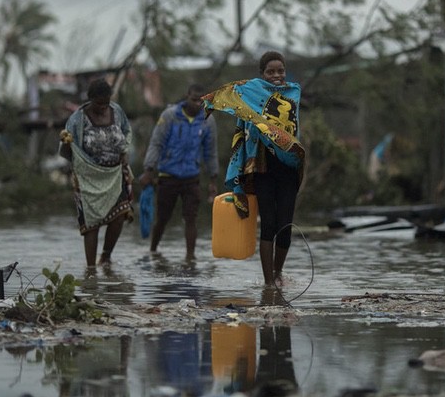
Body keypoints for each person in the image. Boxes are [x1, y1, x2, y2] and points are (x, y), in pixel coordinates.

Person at [204, 51, 305, 288]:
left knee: (286, 226)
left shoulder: (293, 93)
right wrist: (213, 101)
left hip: (288, 166)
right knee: (268, 223)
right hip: (261, 167)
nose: (277, 75)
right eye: (271, 72)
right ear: (262, 75)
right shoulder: (250, 95)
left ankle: (278, 272)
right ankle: (269, 283)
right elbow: (232, 101)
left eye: (280, 70)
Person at [59, 78, 134, 269]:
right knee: (91, 225)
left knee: (119, 216)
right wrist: (68, 144)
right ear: (90, 99)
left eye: (106, 103)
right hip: (88, 178)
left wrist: (124, 153)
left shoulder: (117, 112)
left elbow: (127, 132)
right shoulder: (77, 119)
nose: (103, 107)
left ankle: (106, 257)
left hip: (115, 175)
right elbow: (67, 151)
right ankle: (90, 269)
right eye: (99, 103)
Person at [140, 83, 219, 258]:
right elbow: (156, 143)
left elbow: (210, 151)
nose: (197, 104)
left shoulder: (207, 120)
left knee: (191, 218)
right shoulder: (170, 116)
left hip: (191, 177)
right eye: (194, 100)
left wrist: (213, 179)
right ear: (187, 96)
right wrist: (148, 169)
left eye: (201, 101)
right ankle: (153, 250)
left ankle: (190, 258)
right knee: (162, 218)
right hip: (168, 175)